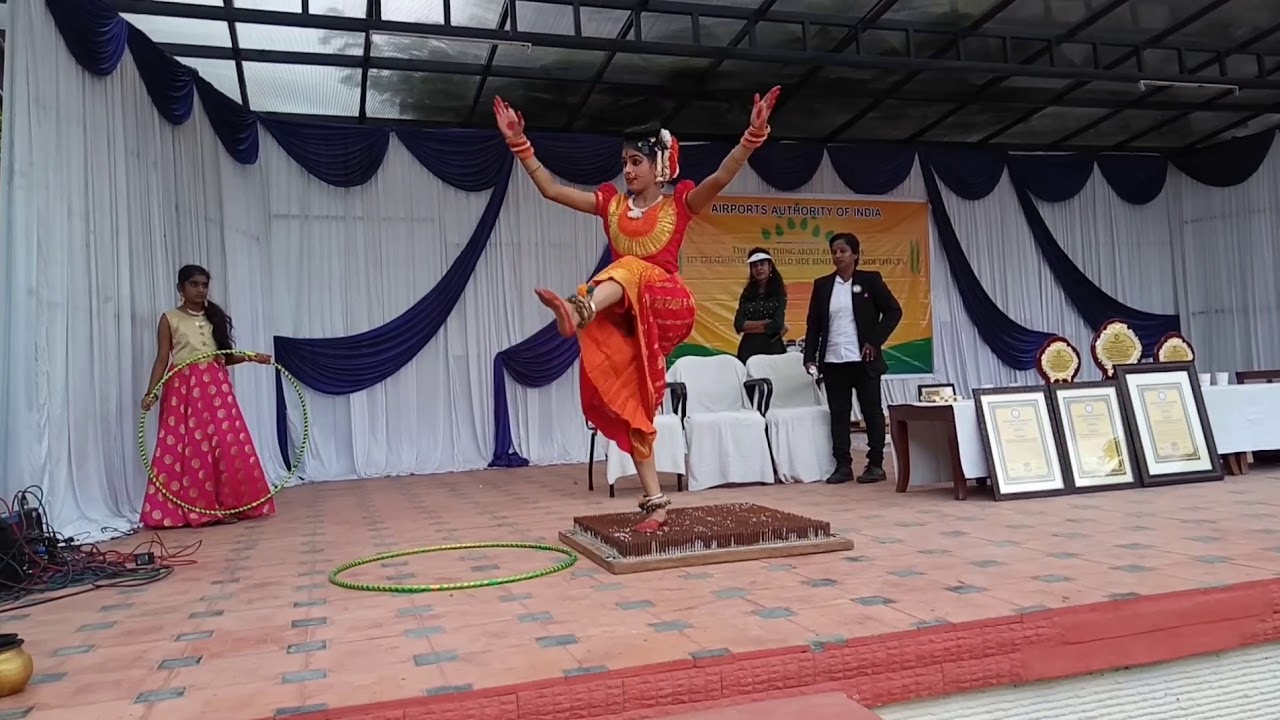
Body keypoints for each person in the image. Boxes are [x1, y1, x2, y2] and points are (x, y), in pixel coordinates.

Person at [494, 87, 781, 532]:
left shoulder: (680, 204)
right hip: (630, 319)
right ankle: (656, 504)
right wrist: (519, 142)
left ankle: (579, 310)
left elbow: (722, 176)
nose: (627, 170)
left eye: (635, 162)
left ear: (659, 165)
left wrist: (752, 135)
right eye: (624, 162)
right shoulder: (611, 206)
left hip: (669, 304)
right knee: (635, 408)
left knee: (628, 266)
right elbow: (550, 190)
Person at [139, 265, 276, 528]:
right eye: (194, 284)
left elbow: (223, 357)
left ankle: (229, 504)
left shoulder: (214, 316)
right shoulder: (169, 318)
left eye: (204, 285)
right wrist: (151, 392)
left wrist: (251, 357)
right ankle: (195, 510)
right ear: (180, 288)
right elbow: (162, 358)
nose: (200, 290)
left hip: (215, 389)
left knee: (224, 444)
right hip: (183, 389)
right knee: (189, 446)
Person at [802, 233, 902, 485]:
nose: (837, 255)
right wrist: (809, 356)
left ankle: (876, 464)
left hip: (864, 358)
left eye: (843, 251)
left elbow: (893, 311)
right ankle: (843, 465)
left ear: (855, 254)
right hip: (834, 359)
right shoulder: (823, 285)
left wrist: (875, 341)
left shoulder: (870, 280)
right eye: (834, 251)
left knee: (871, 411)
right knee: (839, 413)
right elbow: (814, 324)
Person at [733, 248, 788, 363]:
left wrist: (749, 327)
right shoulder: (747, 293)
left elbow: (777, 325)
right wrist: (767, 322)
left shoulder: (779, 292)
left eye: (762, 264)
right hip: (748, 349)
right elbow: (738, 324)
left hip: (772, 347)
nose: (759, 268)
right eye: (755, 265)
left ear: (770, 266)